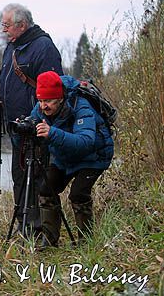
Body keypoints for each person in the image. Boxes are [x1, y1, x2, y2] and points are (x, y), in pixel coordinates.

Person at [0, 3, 64, 235]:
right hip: (17, 127)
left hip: (37, 128)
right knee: (19, 175)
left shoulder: (43, 47)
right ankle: (24, 225)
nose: (3, 30)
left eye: (6, 25)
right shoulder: (12, 47)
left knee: (37, 176)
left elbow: (55, 90)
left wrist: (39, 120)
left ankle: (38, 229)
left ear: (22, 25)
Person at [30, 71, 114, 248]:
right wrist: (23, 131)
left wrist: (52, 133)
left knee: (78, 193)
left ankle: (86, 242)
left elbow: (86, 141)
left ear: (60, 98)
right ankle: (49, 241)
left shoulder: (81, 106)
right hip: (65, 156)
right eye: (40, 101)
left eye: (48, 101)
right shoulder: (40, 108)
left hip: (94, 156)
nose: (44, 106)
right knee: (46, 190)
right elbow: (31, 124)